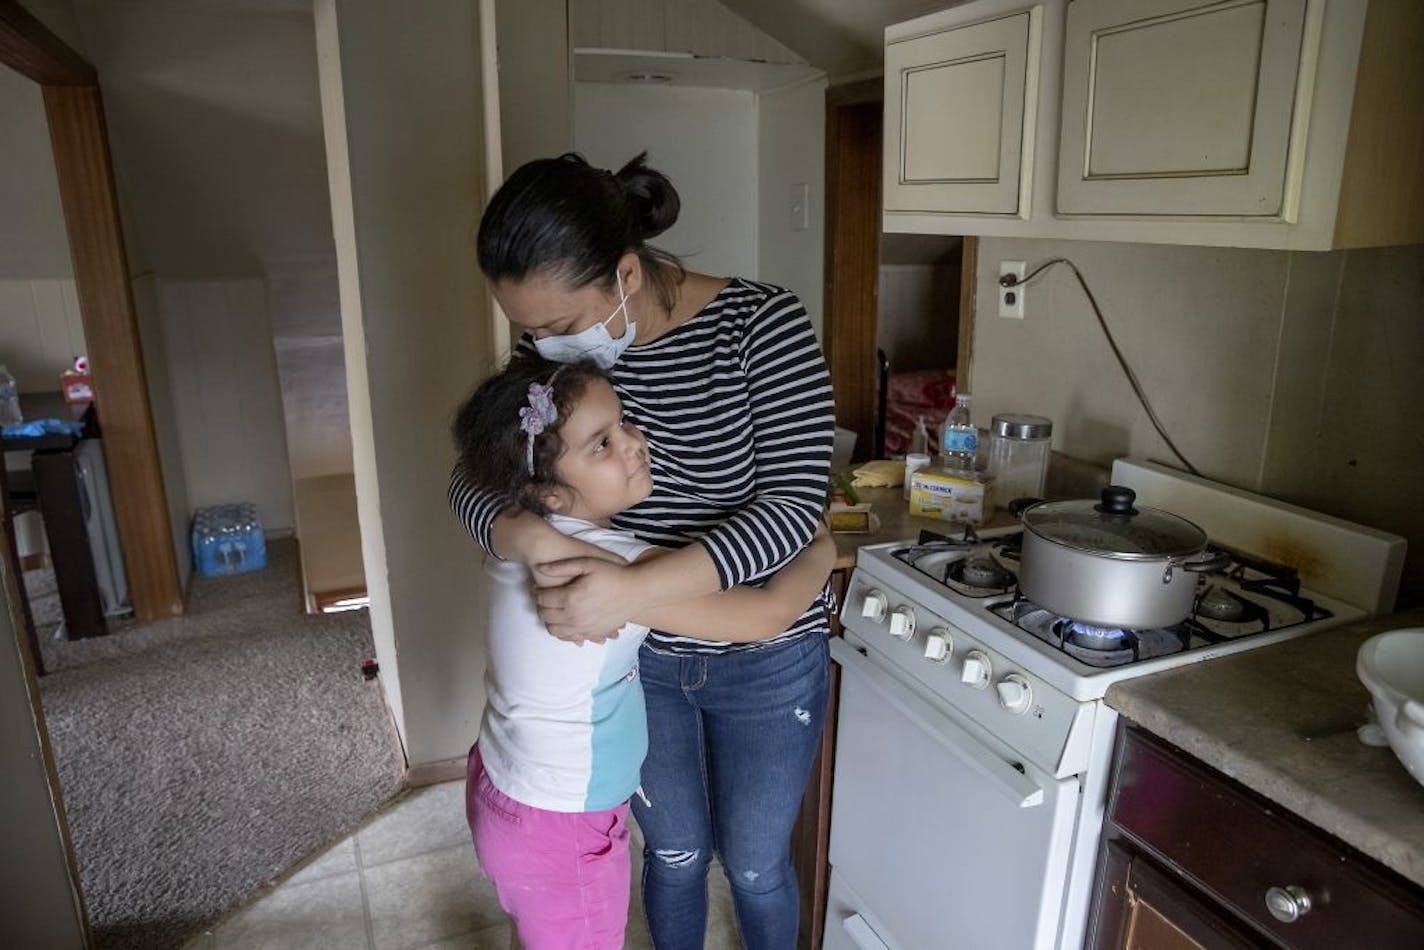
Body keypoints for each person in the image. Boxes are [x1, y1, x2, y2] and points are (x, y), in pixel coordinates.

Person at [450, 151, 836, 948]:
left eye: (557, 326)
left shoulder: (760, 326)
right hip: (637, 665)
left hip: (763, 659)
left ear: (626, 274)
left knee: (759, 864)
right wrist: (533, 536)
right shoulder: (561, 369)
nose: (544, 345)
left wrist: (632, 590)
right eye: (529, 330)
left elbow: (795, 510)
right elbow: (475, 479)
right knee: (677, 852)